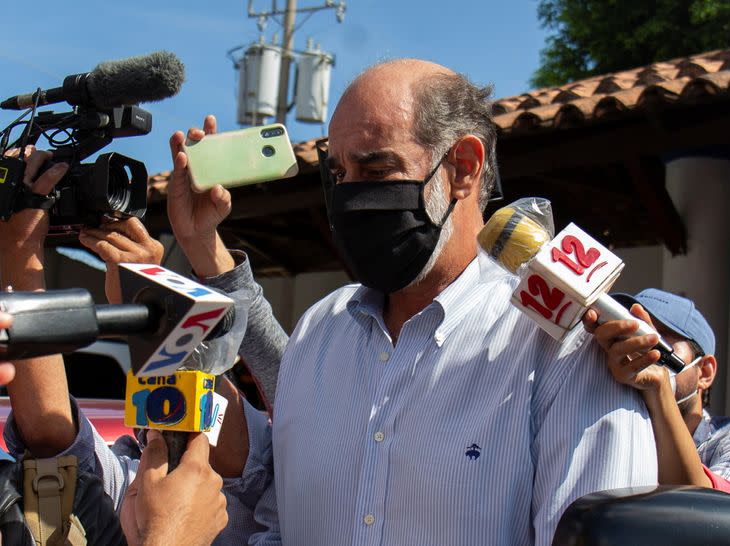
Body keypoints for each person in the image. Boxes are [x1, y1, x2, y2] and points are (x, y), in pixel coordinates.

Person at [167, 59, 659, 546]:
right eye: (340, 173)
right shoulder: (319, 330)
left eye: (377, 167)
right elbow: (280, 528)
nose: (351, 196)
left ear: (463, 167)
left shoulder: (562, 345)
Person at [0, 145, 231, 545]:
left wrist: (171, 530)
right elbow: (53, 442)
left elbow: (53, 444)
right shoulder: (133, 498)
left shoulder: (143, 504)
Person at [586, 288, 730, 537]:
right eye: (626, 336)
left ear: (705, 372)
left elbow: (721, 524)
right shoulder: (610, 438)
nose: (635, 350)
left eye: (658, 339)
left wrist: (658, 387)